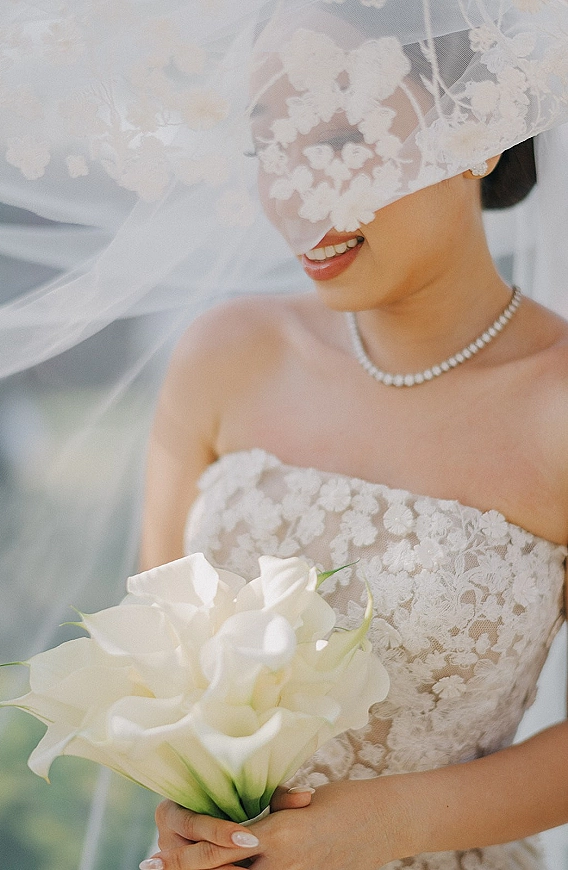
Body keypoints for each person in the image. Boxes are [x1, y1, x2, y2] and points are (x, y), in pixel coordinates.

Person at [137, 5, 568, 870]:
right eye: (270, 147)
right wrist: (179, 798)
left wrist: (395, 825)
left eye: (335, 137)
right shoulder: (225, 356)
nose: (296, 197)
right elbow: (155, 651)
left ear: (479, 127)